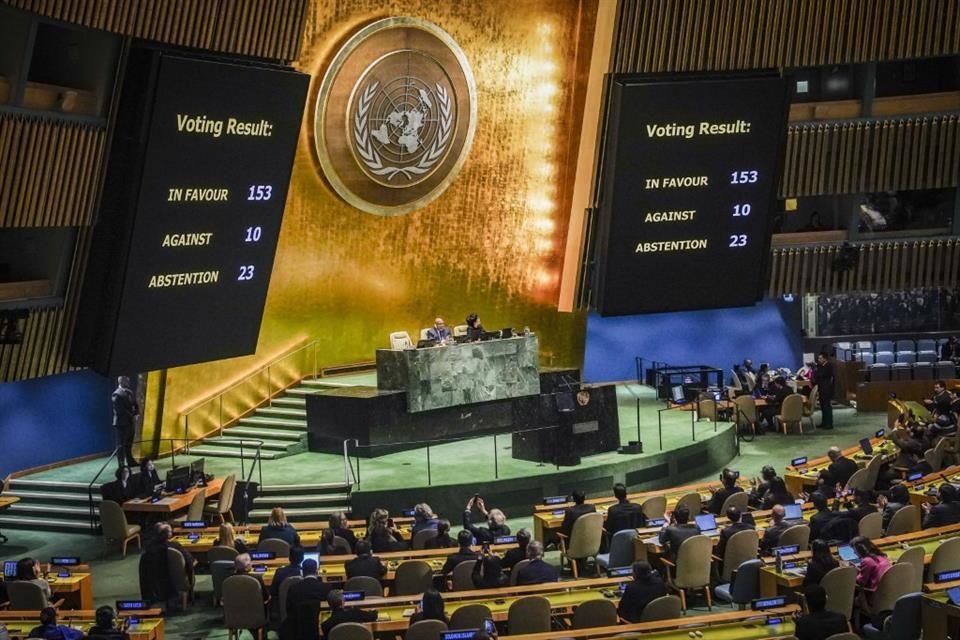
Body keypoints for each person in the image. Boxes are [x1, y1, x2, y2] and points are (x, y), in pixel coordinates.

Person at [283, 559, 331, 640]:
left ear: (302, 572)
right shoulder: (326, 588)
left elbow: (289, 611)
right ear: (317, 571)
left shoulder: (293, 589)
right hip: (319, 630)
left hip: (297, 631)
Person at [111, 376, 139, 469]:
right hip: (121, 424)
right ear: (121, 381)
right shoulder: (116, 394)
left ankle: (130, 461)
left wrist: (136, 413)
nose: (128, 382)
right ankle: (121, 465)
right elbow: (120, 410)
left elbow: (135, 404)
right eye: (127, 381)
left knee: (129, 444)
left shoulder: (130, 392)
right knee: (121, 445)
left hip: (130, 422)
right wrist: (132, 414)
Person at [813, 352, 835, 429]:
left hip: (826, 389)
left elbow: (821, 375)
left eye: (820, 358)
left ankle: (829, 424)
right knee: (823, 407)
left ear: (825, 358)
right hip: (822, 388)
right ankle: (824, 422)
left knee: (827, 407)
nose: (819, 359)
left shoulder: (828, 366)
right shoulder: (821, 366)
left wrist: (816, 371)